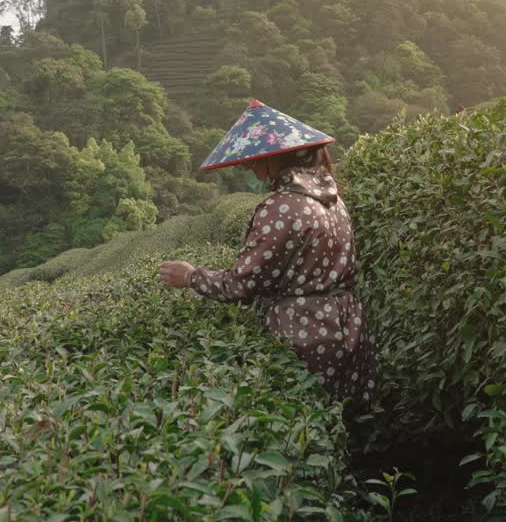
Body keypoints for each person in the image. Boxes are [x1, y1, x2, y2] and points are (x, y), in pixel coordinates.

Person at [159, 100, 377, 406]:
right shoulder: (331, 199)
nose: (253, 172)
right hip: (347, 325)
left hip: (305, 332)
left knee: (307, 417)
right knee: (345, 419)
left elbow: (242, 284)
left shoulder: (282, 207)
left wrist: (191, 276)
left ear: (276, 159)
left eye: (253, 164)